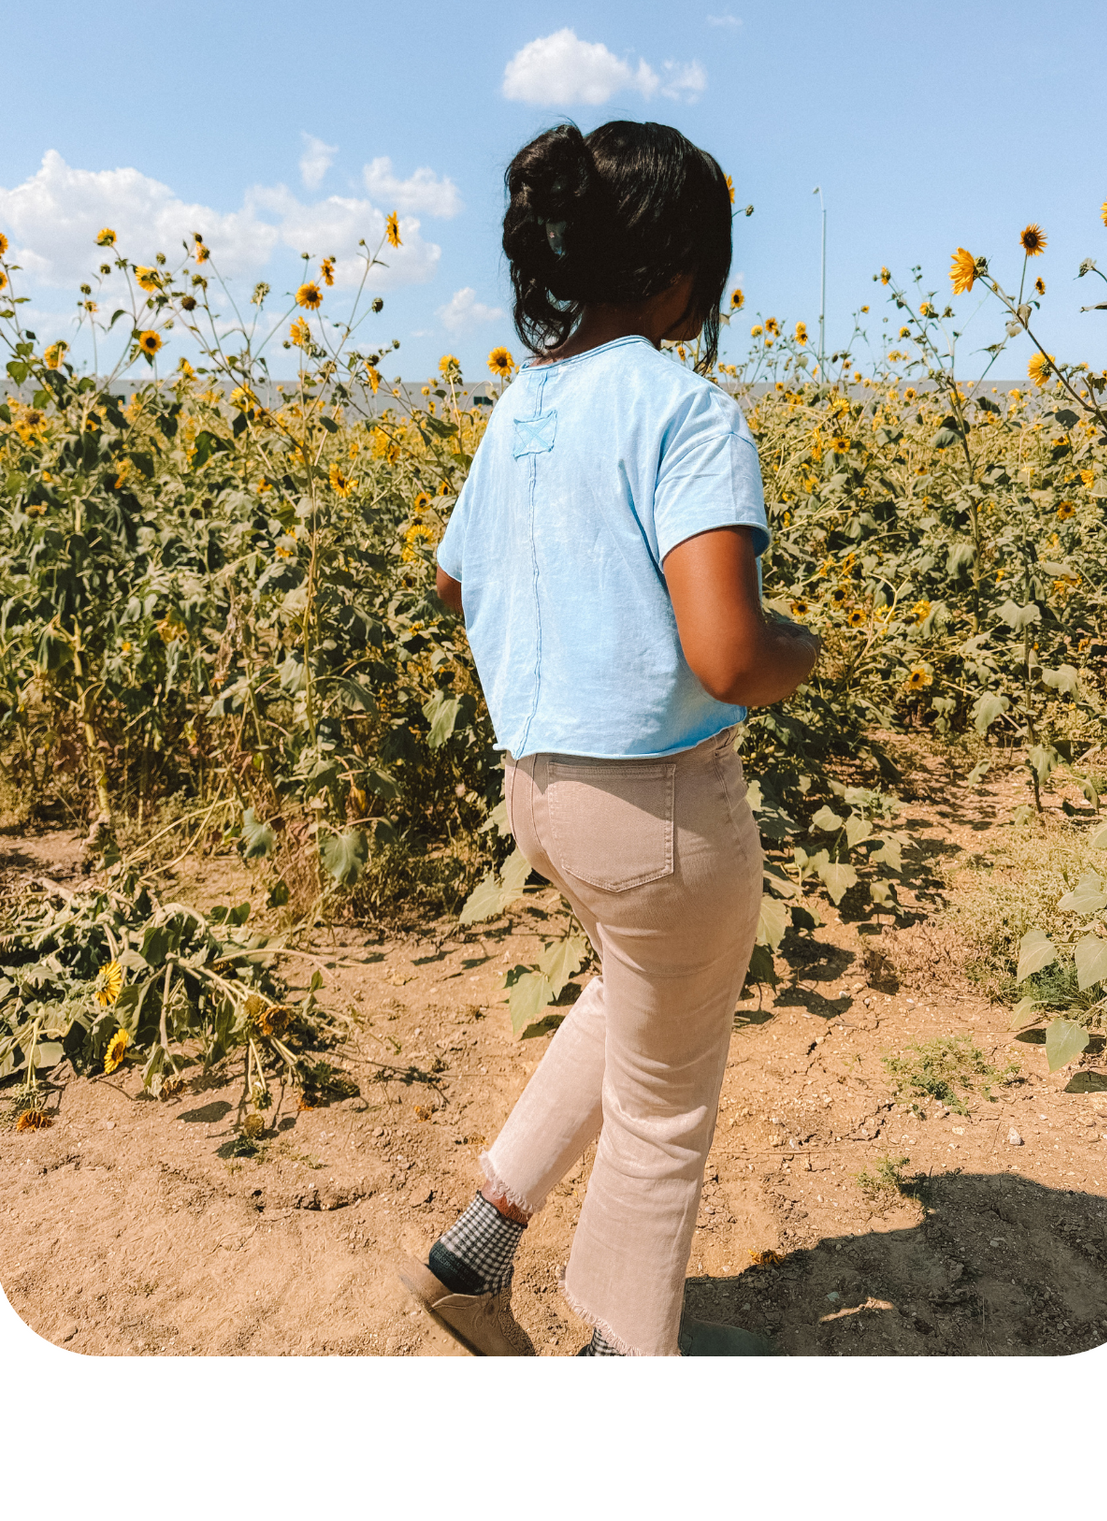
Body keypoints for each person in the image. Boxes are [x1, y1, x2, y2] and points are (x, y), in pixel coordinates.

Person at [398, 120, 818, 1356]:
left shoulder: (519, 407)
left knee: (630, 991)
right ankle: (622, 1365)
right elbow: (730, 654)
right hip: (661, 807)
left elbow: (448, 582)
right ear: (683, 269)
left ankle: (470, 1253)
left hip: (542, 791)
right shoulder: (686, 411)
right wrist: (805, 647)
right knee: (664, 1107)